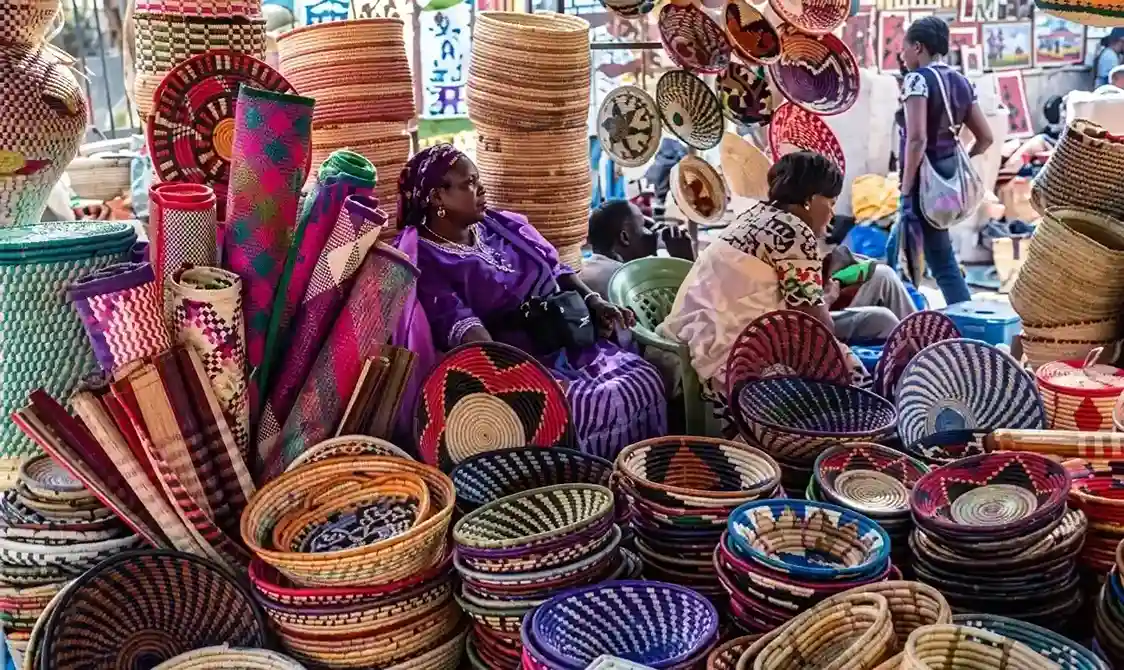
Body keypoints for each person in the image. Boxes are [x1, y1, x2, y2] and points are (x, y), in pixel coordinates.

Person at [397, 144, 666, 460]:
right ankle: (588, 486)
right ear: (436, 198)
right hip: (518, 364)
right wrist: (527, 382)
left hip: (567, 340)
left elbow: (557, 270)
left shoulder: (499, 226)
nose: (481, 188)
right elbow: (467, 332)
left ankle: (636, 477)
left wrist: (595, 303)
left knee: (644, 377)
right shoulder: (428, 259)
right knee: (588, 405)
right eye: (468, 183)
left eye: (478, 179)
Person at [658, 152, 906, 407]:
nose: (832, 213)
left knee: (879, 319)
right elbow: (817, 326)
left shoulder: (754, 216)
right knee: (852, 377)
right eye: (830, 203)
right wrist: (829, 293)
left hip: (696, 336)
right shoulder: (796, 233)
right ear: (810, 200)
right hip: (730, 354)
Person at [887, 16, 993, 307]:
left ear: (918, 47)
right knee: (908, 250)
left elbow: (917, 139)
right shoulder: (959, 81)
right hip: (946, 180)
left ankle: (962, 324)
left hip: (923, 182)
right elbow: (985, 138)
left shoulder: (917, 80)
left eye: (904, 48)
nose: (902, 55)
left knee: (936, 262)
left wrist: (906, 188)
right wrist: (960, 162)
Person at [579, 199, 695, 297]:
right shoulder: (629, 282)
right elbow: (690, 309)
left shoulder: (583, 270)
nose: (651, 232)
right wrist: (686, 260)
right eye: (643, 226)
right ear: (624, 237)